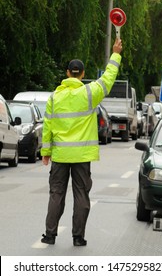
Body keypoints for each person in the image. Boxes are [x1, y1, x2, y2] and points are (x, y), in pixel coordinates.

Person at [40, 38, 123, 246]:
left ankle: (50, 235)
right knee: (81, 195)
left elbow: (47, 128)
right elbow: (108, 79)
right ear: (83, 74)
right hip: (82, 157)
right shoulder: (89, 93)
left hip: (59, 156)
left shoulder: (54, 98)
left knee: (56, 194)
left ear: (68, 73)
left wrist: (45, 153)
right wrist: (115, 54)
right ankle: (78, 237)